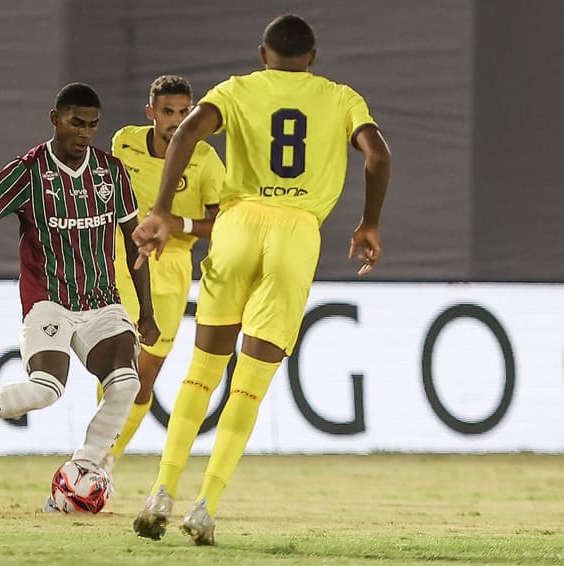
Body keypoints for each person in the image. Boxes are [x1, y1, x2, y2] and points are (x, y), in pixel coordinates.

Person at [131, 15, 392, 545]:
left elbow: (188, 130)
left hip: (237, 224)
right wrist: (369, 222)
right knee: (249, 385)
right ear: (312, 58)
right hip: (297, 233)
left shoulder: (237, 89)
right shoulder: (341, 98)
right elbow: (378, 155)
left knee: (202, 372)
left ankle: (161, 490)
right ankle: (205, 507)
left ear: (262, 54)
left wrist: (160, 208)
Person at [0, 83, 161, 508]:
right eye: (76, 122)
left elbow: (134, 244)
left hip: (102, 302)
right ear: (55, 118)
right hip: (48, 301)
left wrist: (146, 311)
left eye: (93, 125)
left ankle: (80, 470)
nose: (85, 133)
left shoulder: (111, 172)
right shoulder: (28, 172)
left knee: (128, 382)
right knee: (45, 390)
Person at [100, 75, 225, 479]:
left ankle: (107, 456)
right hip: (122, 257)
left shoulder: (205, 159)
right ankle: (95, 459)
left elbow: (223, 224)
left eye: (184, 112)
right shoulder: (125, 142)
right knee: (116, 359)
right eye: (168, 112)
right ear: (151, 112)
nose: (176, 120)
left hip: (172, 266)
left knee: (144, 374)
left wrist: (177, 223)